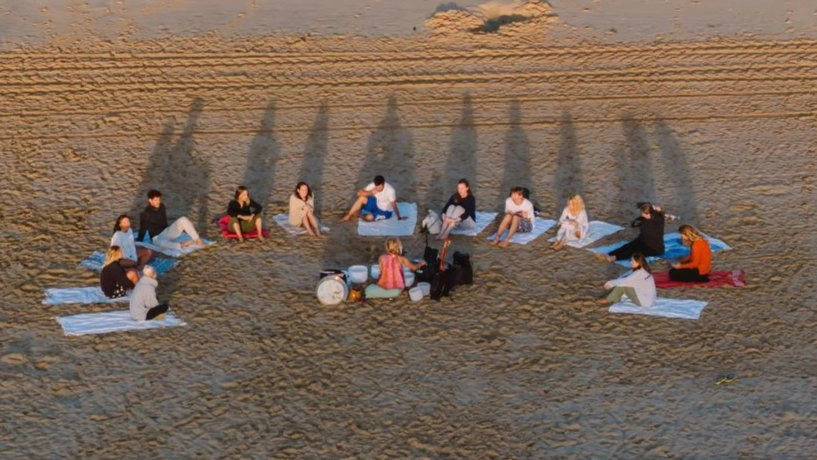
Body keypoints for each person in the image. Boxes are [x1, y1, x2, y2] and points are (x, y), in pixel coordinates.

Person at [597, 202, 666, 263]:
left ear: (649, 213)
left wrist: (656, 209)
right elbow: (634, 223)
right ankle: (610, 254)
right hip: (642, 240)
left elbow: (660, 212)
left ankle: (613, 258)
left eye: (643, 213)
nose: (641, 214)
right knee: (627, 246)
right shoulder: (651, 216)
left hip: (653, 248)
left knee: (632, 251)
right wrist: (653, 208)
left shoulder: (658, 219)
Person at [137, 189, 204, 250]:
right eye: (156, 200)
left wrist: (171, 230)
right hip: (157, 238)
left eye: (159, 199)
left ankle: (197, 239)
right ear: (150, 200)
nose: (158, 202)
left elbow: (165, 222)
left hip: (167, 232)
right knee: (160, 243)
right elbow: (143, 229)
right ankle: (182, 245)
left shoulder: (162, 206)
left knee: (183, 219)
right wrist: (139, 240)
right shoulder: (145, 214)